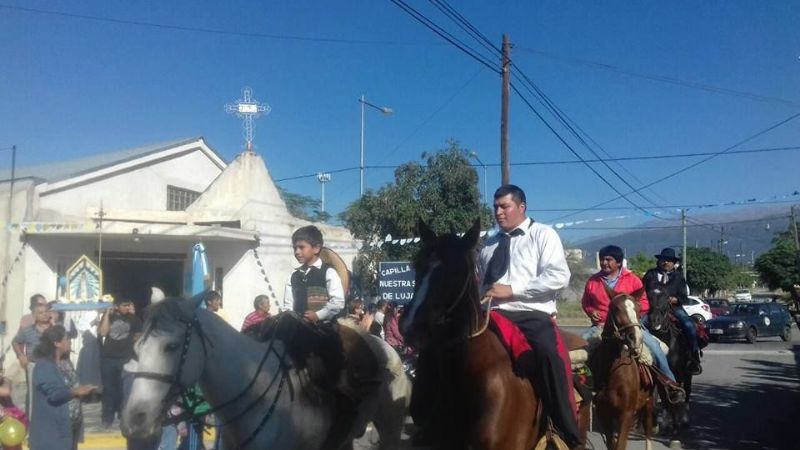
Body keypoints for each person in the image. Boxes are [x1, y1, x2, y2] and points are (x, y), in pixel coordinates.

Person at [477, 184, 579, 448]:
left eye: (504, 206)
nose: (498, 212)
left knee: (549, 354)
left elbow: (559, 276)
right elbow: (482, 282)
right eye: (495, 207)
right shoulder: (489, 243)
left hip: (531, 314)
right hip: (490, 314)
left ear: (521, 207)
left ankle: (565, 427)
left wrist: (512, 290)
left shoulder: (543, 235)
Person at [581, 245, 685, 401]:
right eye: (602, 259)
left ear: (618, 262)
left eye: (608, 259)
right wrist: (590, 311)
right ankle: (581, 387)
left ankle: (669, 383)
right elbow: (586, 302)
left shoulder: (632, 280)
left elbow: (644, 303)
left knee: (655, 347)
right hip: (601, 326)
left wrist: (630, 313)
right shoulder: (593, 281)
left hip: (630, 326)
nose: (604, 263)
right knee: (578, 349)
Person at [29, 325, 97, 450]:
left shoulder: (65, 363)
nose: (69, 341)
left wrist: (85, 390)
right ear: (57, 343)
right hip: (52, 434)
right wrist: (75, 391)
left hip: (69, 429)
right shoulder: (44, 366)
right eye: (66, 338)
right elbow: (55, 395)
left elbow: (72, 386)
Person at [641, 248, 702, 375]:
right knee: (638, 325)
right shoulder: (650, 275)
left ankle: (694, 357)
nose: (666, 263)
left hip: (674, 309)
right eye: (663, 260)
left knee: (689, 325)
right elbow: (641, 292)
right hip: (653, 309)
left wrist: (675, 299)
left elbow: (684, 296)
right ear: (659, 261)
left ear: (673, 263)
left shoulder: (679, 277)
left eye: (669, 261)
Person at [282, 225, 345, 323]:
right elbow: (288, 305)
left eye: (301, 247)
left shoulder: (328, 272)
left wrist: (318, 315)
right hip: (298, 330)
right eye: (295, 248)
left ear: (316, 248)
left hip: (324, 330)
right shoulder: (293, 277)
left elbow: (337, 302)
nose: (297, 252)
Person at [98, 298, 142, 428]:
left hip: (125, 359)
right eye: (124, 305)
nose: (127, 307)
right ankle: (107, 417)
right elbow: (103, 332)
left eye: (129, 304)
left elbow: (139, 336)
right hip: (108, 359)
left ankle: (123, 416)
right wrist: (106, 314)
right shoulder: (109, 318)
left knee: (124, 390)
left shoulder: (134, 319)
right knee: (109, 390)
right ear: (117, 306)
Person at [13, 303, 52, 417]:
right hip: (34, 366)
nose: (44, 315)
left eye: (46, 312)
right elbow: (15, 341)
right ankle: (32, 425)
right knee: (33, 396)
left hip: (52, 366)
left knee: (52, 394)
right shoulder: (27, 330)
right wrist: (21, 356)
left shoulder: (55, 329)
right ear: (34, 316)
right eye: (40, 313)